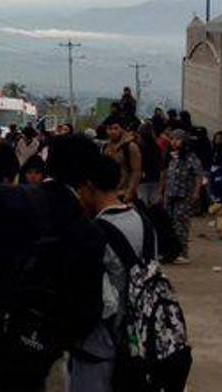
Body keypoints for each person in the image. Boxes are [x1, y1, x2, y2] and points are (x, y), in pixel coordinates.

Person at [0, 135, 108, 391]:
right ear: (88, 180)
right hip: (29, 352)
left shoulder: (5, 199)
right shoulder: (88, 235)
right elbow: (86, 312)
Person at [69, 155, 156, 392]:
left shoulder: (91, 232)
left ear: (89, 186)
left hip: (99, 345)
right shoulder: (145, 223)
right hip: (140, 340)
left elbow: (84, 293)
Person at [159, 130, 204, 264]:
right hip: (170, 194)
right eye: (172, 139)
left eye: (177, 139)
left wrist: (196, 192)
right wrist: (162, 191)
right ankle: (170, 251)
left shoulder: (191, 157)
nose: (174, 142)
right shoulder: (171, 157)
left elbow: (198, 175)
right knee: (169, 224)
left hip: (184, 195)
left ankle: (183, 253)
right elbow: (166, 175)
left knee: (181, 225)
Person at [103, 121, 142, 203]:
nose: (112, 131)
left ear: (122, 130)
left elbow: (136, 171)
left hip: (124, 192)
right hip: (109, 193)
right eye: (110, 129)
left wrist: (129, 191)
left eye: (116, 128)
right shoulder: (105, 147)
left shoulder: (130, 147)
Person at [136, 122, 164, 206]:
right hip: (155, 178)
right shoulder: (157, 147)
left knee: (142, 203)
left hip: (142, 178)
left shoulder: (138, 147)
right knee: (154, 204)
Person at [208, 131, 222, 205]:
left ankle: (218, 205)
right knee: (212, 190)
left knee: (218, 190)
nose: (218, 140)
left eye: (220, 138)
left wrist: (220, 172)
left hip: (220, 172)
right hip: (212, 171)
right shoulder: (213, 150)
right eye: (216, 138)